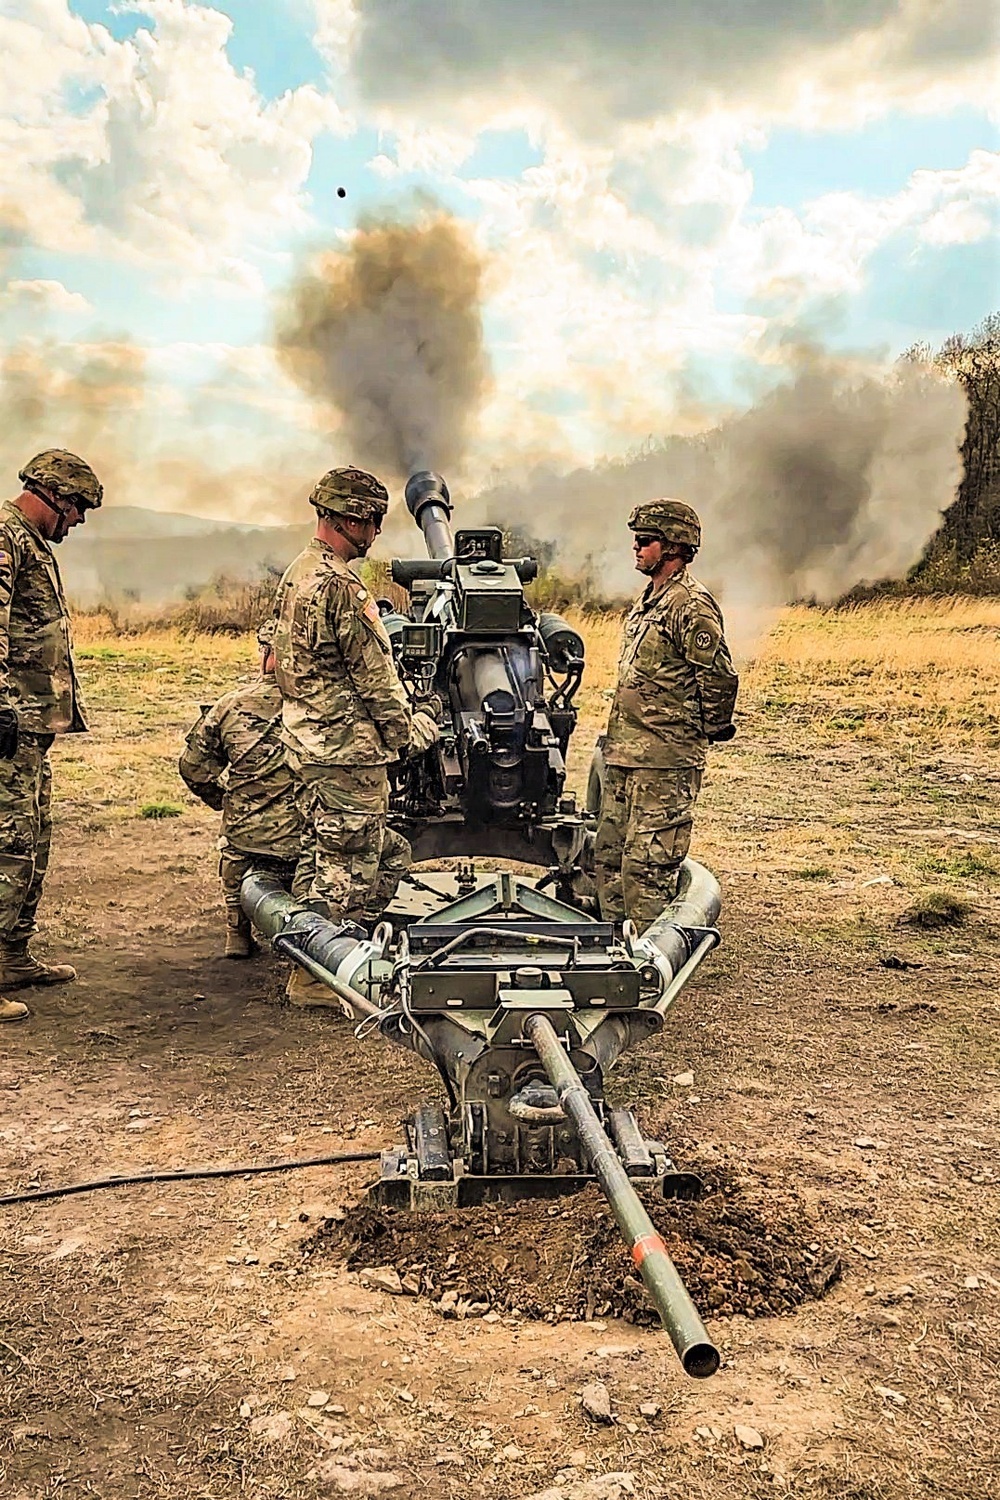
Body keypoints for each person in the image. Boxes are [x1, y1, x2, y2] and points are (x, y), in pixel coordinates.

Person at [272, 466, 438, 1005]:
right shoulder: (342, 587)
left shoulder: (298, 572)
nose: (376, 534)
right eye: (374, 522)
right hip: (346, 751)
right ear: (352, 518)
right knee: (348, 863)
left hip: (306, 741)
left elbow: (276, 660)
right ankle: (316, 978)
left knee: (322, 854)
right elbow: (375, 677)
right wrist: (410, 732)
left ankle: (309, 953)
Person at [594, 498, 738, 931]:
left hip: (664, 763)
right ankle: (613, 955)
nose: (636, 548)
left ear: (674, 546)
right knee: (610, 861)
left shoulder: (689, 606)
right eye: (636, 540)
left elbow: (718, 677)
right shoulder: (649, 601)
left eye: (645, 541)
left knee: (648, 869)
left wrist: (698, 732)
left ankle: (647, 966)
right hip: (625, 757)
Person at [0, 450, 103, 1023]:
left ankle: (13, 954)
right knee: (5, 843)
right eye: (79, 508)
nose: (80, 520)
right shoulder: (6, 538)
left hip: (32, 726)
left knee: (31, 841)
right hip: (9, 725)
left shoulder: (31, 543)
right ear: (55, 496)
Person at [179, 618, 302, 960]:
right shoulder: (320, 706)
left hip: (247, 832)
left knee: (234, 851)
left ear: (267, 656)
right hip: (304, 834)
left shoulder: (230, 705)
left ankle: (237, 931)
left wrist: (224, 800)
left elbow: (192, 766)